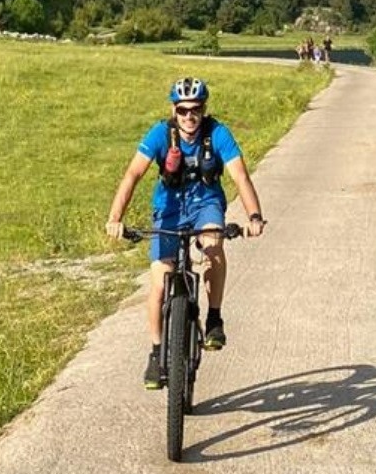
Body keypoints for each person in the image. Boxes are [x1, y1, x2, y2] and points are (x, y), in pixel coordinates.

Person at [105, 77, 265, 388]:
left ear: (204, 109)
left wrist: (254, 216)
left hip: (205, 204)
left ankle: (214, 318)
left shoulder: (217, 133)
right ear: (173, 110)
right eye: (182, 110)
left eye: (196, 109)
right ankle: (155, 353)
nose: (189, 117)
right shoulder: (160, 134)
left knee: (213, 245)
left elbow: (240, 176)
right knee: (160, 283)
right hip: (168, 208)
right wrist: (115, 218)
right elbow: (133, 173)